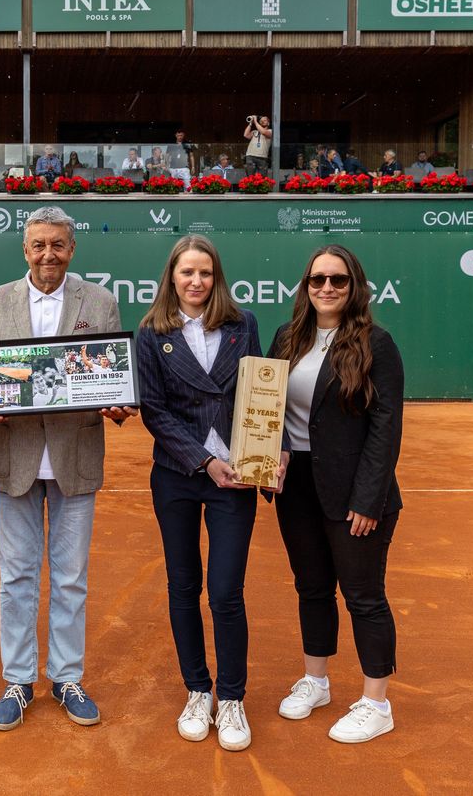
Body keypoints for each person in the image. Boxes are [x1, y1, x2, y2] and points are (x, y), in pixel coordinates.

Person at [0, 205, 137, 732]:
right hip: (14, 457)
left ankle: (66, 677)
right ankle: (19, 680)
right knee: (16, 577)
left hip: (76, 456)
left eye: (58, 245)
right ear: (25, 249)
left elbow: (110, 375)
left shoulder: (102, 301)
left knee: (70, 580)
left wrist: (116, 402)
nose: (48, 254)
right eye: (39, 245)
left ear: (72, 249)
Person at [137, 235, 281, 752]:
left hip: (236, 479)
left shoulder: (244, 326)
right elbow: (153, 410)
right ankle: (198, 690)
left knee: (225, 592)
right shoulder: (151, 333)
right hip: (179, 475)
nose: (196, 281)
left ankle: (233, 698)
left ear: (216, 277)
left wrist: (273, 451)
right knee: (183, 587)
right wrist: (204, 459)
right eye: (186, 273)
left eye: (204, 273)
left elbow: (261, 391)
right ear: (171, 277)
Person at [266, 244, 405, 744]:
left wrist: (368, 500)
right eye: (317, 279)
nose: (327, 288)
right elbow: (270, 407)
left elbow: (386, 428)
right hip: (297, 483)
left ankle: (376, 702)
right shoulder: (287, 337)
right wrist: (271, 454)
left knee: (364, 596)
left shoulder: (377, 343)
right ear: (305, 286)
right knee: (312, 587)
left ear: (355, 286)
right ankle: (317, 681)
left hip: (355, 491)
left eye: (338, 280)